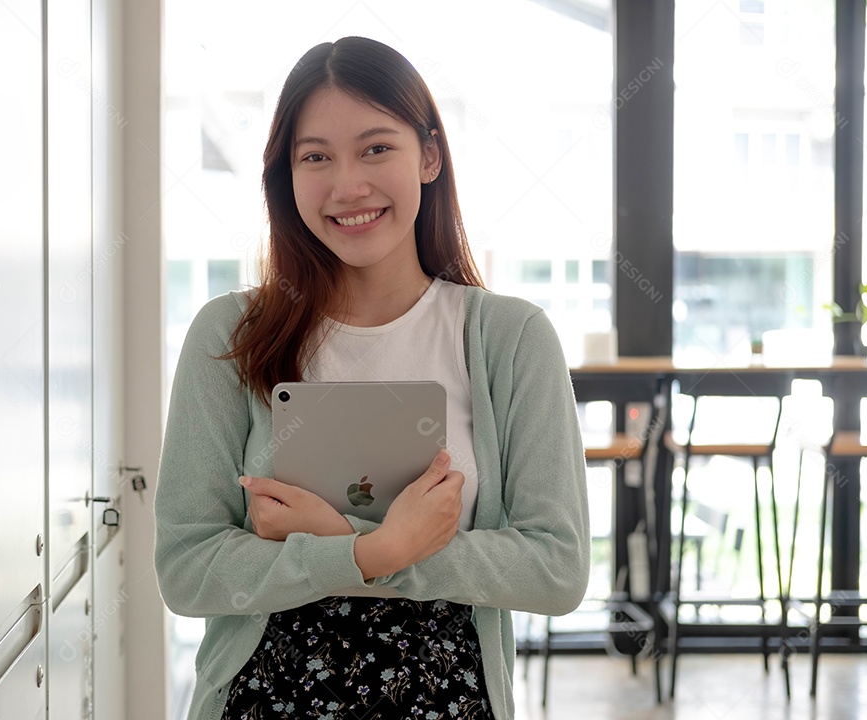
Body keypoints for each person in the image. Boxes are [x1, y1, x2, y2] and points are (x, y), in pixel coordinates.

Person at [155, 36, 589, 720]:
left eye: (376, 148)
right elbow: (187, 568)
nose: (347, 184)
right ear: (286, 176)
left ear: (429, 155)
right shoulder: (229, 336)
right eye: (316, 157)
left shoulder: (511, 339)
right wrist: (378, 547)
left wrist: (348, 546)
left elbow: (555, 568)